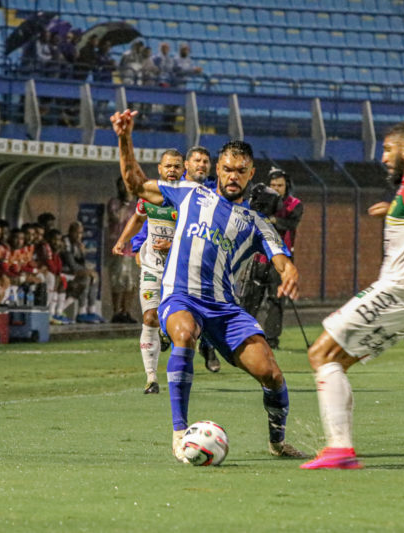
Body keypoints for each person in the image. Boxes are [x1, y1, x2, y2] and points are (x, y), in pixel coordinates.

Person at [112, 109, 305, 462]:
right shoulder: (187, 193)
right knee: (183, 334)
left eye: (240, 171)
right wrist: (125, 138)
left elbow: (280, 257)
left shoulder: (256, 222)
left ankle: (277, 442)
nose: (233, 177)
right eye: (227, 169)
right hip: (180, 295)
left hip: (225, 309)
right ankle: (179, 433)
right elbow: (136, 184)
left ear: (251, 173)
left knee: (272, 373)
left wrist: (288, 270)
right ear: (217, 168)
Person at [300, 121, 404, 470]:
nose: (383, 157)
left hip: (398, 291)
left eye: (387, 149)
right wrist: (394, 209)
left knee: (320, 353)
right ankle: (340, 448)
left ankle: (340, 449)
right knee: (335, 361)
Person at [113, 148, 185, 393]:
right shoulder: (149, 197)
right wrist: (123, 240)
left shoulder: (187, 200)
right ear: (160, 169)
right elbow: (137, 218)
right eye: (168, 166)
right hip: (152, 267)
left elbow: (195, 235)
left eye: (177, 166)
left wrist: (173, 243)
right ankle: (152, 378)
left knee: (180, 323)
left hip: (180, 271)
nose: (172, 170)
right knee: (149, 318)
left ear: (183, 169)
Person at [241, 167, 303, 350]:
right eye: (273, 185)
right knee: (251, 298)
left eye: (280, 185)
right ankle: (243, 334)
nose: (276, 188)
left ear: (287, 186)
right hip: (259, 257)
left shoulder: (294, 204)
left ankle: (272, 340)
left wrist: (274, 220)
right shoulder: (262, 200)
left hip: (281, 258)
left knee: (276, 299)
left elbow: (291, 223)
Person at [106, 177, 139, 323]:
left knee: (132, 282)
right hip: (119, 248)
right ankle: (116, 311)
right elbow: (118, 219)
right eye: (122, 186)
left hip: (134, 249)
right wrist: (125, 203)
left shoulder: (137, 204)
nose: (125, 189)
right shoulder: (114, 203)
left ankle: (127, 311)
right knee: (118, 280)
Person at [61, 221, 104, 323]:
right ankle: (81, 312)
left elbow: (82, 263)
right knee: (85, 278)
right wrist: (86, 271)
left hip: (72, 272)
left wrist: (82, 252)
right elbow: (71, 264)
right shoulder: (66, 242)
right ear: (70, 232)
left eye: (80, 233)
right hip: (63, 271)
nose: (78, 235)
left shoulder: (78, 244)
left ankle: (91, 310)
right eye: (76, 232)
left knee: (94, 276)